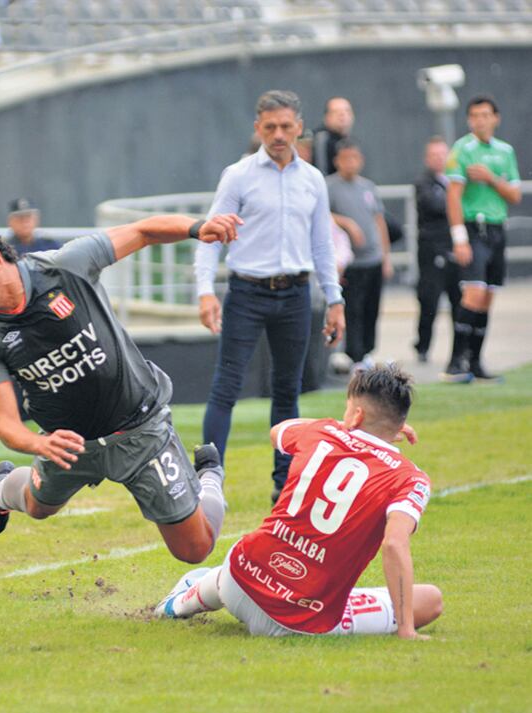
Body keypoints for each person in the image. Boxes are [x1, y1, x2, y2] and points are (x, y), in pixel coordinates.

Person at [0, 212, 243, 564]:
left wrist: (198, 228)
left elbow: (143, 231)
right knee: (37, 505)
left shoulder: (65, 266)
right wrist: (40, 443)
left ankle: (210, 476)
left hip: (140, 429)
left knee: (194, 550)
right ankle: (1, 488)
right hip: (67, 444)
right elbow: (5, 423)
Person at [156, 364, 444, 640]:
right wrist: (406, 629)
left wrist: (343, 428)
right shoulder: (410, 478)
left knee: (238, 568)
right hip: (299, 620)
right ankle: (192, 593)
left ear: (355, 415)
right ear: (400, 424)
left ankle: (181, 602)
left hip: (238, 578)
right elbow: (394, 543)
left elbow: (277, 432)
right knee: (430, 599)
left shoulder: (323, 431)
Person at [195, 90, 345, 504]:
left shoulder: (313, 179)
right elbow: (209, 238)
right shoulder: (239, 175)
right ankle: (208, 482)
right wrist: (205, 292)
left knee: (287, 390)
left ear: (299, 127)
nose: (278, 135)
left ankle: (284, 483)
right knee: (226, 387)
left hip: (296, 294)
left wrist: (335, 300)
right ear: (257, 128)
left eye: (286, 126)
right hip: (246, 291)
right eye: (270, 127)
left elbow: (322, 246)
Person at [440, 95, 521, 383]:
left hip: (497, 229)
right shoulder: (462, 150)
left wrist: (490, 178)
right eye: (474, 115)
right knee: (472, 293)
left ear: (495, 118)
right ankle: (455, 362)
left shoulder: (505, 152)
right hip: (475, 228)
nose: (480, 120)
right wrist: (459, 237)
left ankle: (476, 361)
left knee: (487, 296)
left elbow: (514, 194)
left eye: (485, 115)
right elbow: (454, 195)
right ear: (468, 120)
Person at [327, 139, 393, 369]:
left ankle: (366, 351)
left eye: (354, 158)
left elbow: (379, 220)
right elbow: (323, 216)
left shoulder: (368, 187)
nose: (350, 163)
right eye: (345, 158)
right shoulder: (329, 186)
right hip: (350, 263)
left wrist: (386, 257)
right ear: (337, 161)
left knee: (371, 308)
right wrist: (348, 224)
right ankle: (353, 354)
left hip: (372, 259)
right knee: (352, 308)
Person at [414, 136, 460, 363]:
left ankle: (459, 350)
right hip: (432, 251)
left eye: (443, 155)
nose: (439, 160)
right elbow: (436, 205)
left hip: (456, 249)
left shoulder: (453, 180)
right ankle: (423, 346)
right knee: (429, 300)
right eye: (434, 155)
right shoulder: (424, 182)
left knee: (458, 300)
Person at [311, 96, 354, 176]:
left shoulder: (348, 141)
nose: (342, 116)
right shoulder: (321, 139)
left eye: (347, 112)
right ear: (327, 117)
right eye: (336, 112)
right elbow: (322, 172)